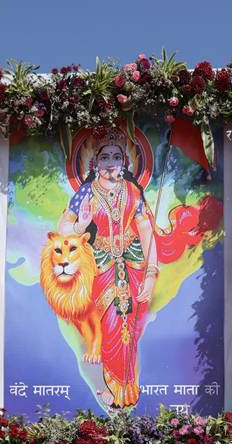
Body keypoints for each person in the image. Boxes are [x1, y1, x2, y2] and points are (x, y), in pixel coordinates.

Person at [59, 129, 157, 409]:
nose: (111, 163)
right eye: (105, 157)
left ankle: (127, 390)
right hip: (101, 268)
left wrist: (151, 274)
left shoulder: (134, 191)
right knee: (111, 328)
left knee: (131, 330)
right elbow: (63, 229)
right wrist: (81, 225)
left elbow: (146, 231)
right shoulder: (86, 192)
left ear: (124, 162)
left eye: (116, 157)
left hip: (133, 266)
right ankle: (113, 389)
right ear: (95, 163)